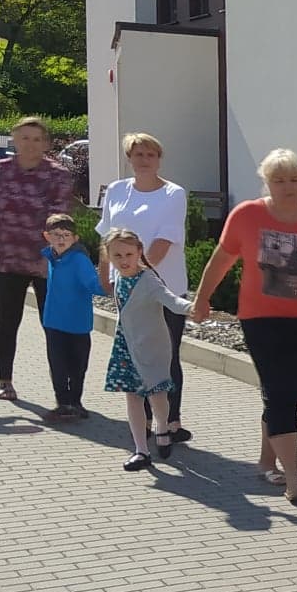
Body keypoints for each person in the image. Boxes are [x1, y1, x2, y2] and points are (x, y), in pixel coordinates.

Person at [190, 149, 297, 501]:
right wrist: (202, 298)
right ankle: (293, 478)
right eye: (279, 180)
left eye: (294, 180)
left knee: (293, 391)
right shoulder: (247, 215)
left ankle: (265, 461)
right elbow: (222, 258)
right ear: (266, 182)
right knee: (278, 392)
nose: (288, 186)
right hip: (260, 318)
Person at [0, 115, 77, 401]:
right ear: (14, 140)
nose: (30, 144)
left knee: (53, 325)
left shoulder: (57, 175)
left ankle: (63, 391)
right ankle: (5, 381)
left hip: (45, 263)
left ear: (46, 143)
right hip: (6, 259)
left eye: (37, 139)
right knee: (7, 322)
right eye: (24, 138)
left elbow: (61, 220)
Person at [97, 133, 192, 442]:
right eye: (138, 154)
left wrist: (140, 275)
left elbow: (164, 240)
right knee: (135, 352)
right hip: (125, 288)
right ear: (129, 159)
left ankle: (171, 421)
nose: (144, 160)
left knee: (165, 355)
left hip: (163, 286)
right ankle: (146, 420)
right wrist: (105, 273)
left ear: (159, 159)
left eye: (150, 155)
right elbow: (106, 236)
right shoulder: (116, 190)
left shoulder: (173, 194)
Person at [103, 229, 193, 471]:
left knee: (156, 394)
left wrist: (192, 308)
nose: (124, 260)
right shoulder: (119, 277)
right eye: (117, 255)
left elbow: (171, 300)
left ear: (139, 252)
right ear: (109, 256)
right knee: (133, 396)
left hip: (151, 346)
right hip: (127, 345)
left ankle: (162, 427)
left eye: (129, 254)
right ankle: (141, 450)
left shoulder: (148, 279)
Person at [39, 213, 101, 422]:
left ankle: (75, 402)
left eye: (66, 235)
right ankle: (63, 403)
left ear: (75, 238)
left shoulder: (79, 259)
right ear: (47, 236)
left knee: (77, 367)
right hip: (54, 322)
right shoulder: (52, 256)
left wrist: (110, 286)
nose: (61, 239)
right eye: (56, 234)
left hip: (77, 324)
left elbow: (93, 284)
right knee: (57, 365)